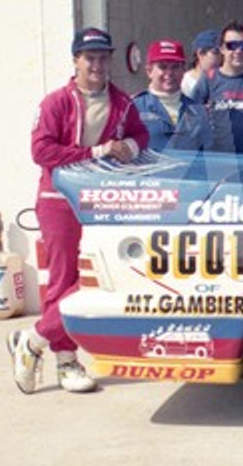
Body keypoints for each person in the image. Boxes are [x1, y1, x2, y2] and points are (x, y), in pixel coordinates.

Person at [11, 27, 149, 394]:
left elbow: (140, 135)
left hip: (103, 200)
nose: (98, 64)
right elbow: (42, 152)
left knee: (96, 277)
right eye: (90, 57)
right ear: (76, 61)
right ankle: (67, 361)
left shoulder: (122, 101)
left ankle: (33, 340)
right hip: (58, 200)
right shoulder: (55, 102)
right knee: (61, 281)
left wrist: (130, 149)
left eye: (103, 57)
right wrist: (97, 152)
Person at [187, 21, 243, 154]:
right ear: (222, 49)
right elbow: (191, 127)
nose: (238, 51)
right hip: (218, 165)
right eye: (232, 46)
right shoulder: (207, 81)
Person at [132, 39, 211, 152]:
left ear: (183, 70)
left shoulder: (197, 111)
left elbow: (207, 156)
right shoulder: (133, 108)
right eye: (162, 67)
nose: (169, 73)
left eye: (175, 67)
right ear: (149, 71)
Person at [181, 29, 222, 98]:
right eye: (216, 52)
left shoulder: (225, 82)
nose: (221, 57)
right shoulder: (184, 83)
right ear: (200, 54)